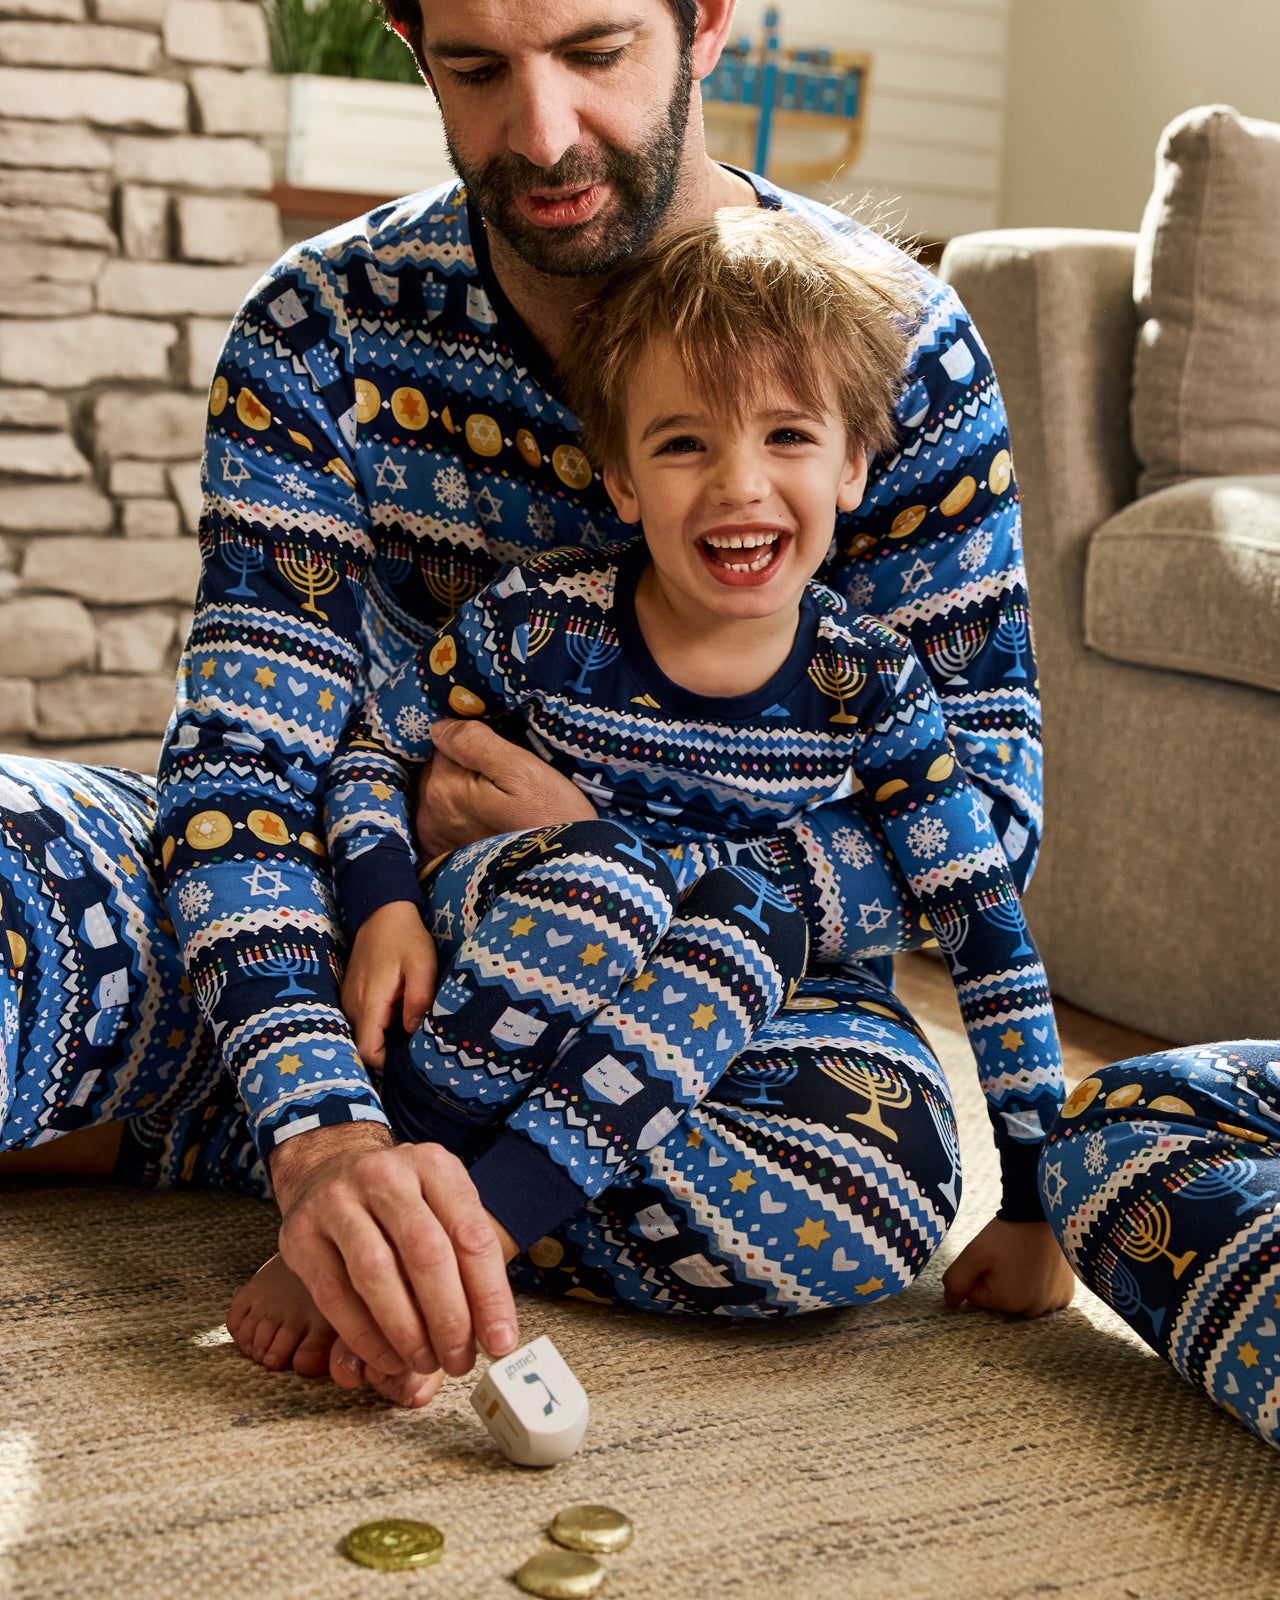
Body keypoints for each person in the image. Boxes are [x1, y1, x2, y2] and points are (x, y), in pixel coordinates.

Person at [1, 0, 1270, 1442]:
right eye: (477, 67)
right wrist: (320, 1121)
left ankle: (256, 1141)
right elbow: (247, 761)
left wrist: (623, 859)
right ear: (411, 40)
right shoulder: (319, 326)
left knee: (866, 1179)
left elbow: (984, 814)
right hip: (359, 928)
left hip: (722, 997)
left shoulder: (897, 343)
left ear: (705, 20)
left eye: (595, 53)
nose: (542, 134)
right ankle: (324, 1154)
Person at [299, 207, 1072, 1325]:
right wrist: (383, 907)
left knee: (866, 1172)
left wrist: (1033, 1207)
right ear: (620, 479)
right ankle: (407, 1199)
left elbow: (986, 934)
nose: (739, 485)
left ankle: (464, 1222)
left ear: (855, 464)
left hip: (715, 1003)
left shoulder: (872, 686)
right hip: (522, 948)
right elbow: (375, 747)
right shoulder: (539, 624)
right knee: (612, 879)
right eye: (682, 444)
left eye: (788, 435)